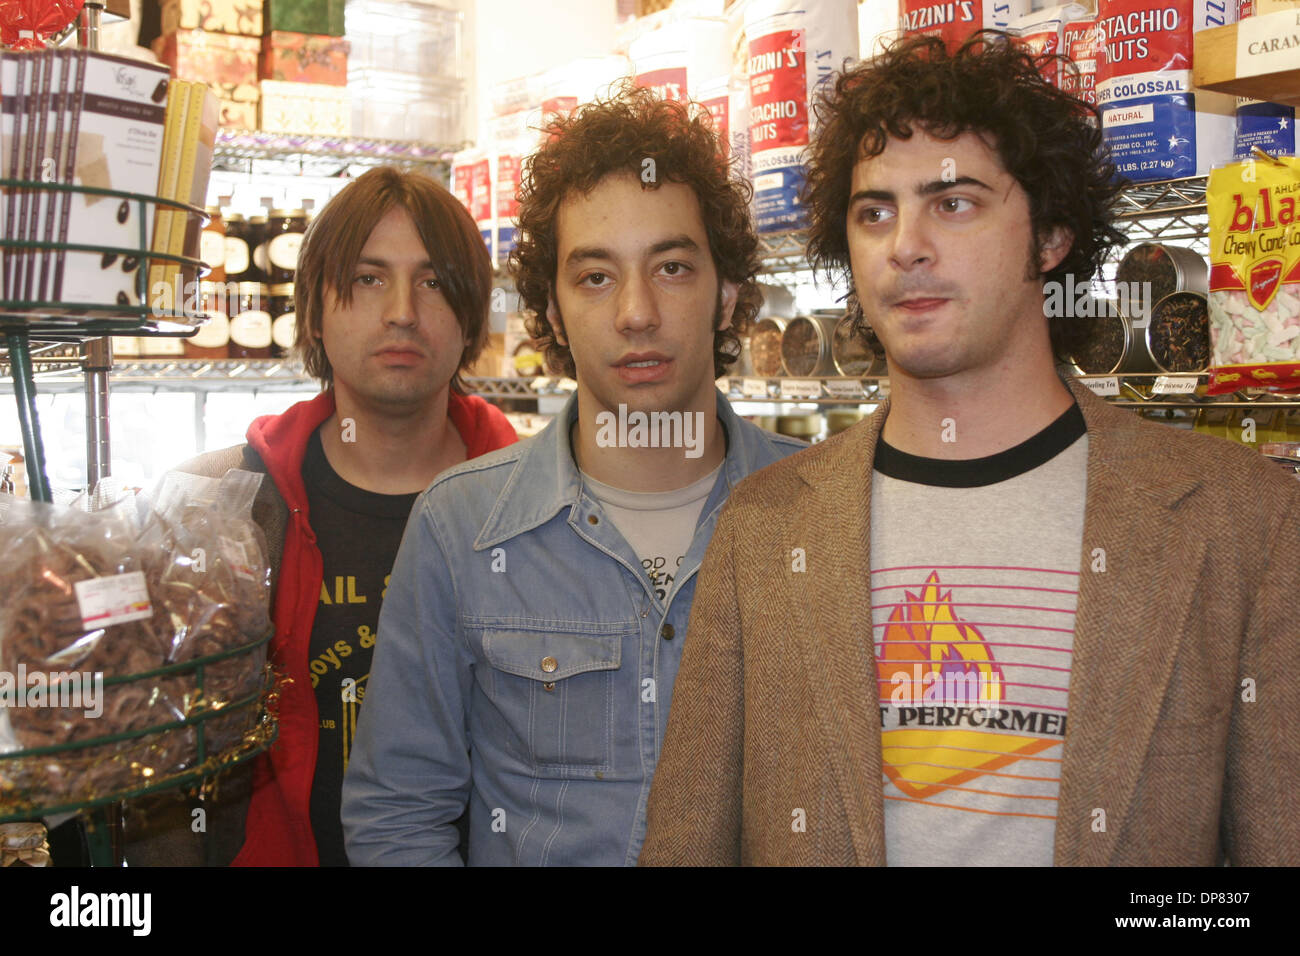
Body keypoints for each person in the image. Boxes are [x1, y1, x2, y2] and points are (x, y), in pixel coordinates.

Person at [638, 32, 1300, 866]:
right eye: (874, 211)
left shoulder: (1246, 525)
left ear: (1051, 236)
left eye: (954, 203)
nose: (904, 244)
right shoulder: (762, 530)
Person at [340, 83, 805, 866]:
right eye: (594, 277)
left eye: (673, 268)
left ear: (729, 297)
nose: (635, 312)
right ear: (550, 313)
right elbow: (397, 815)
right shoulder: (461, 529)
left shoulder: (823, 516)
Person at [124, 166, 517, 866]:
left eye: (432, 282)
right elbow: (156, 762)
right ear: (311, 310)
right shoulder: (219, 503)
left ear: (472, 317)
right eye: (368, 278)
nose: (402, 310)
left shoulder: (541, 501)